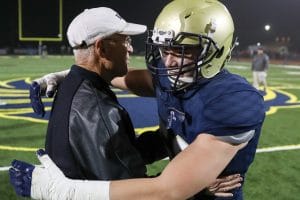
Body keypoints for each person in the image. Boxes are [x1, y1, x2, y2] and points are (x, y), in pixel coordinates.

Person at [9, 0, 265, 199]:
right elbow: (118, 76)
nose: (169, 61)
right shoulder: (171, 77)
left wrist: (67, 193)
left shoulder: (234, 101)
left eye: (181, 51)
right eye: (165, 49)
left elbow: (168, 191)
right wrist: (71, 75)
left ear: (216, 51)